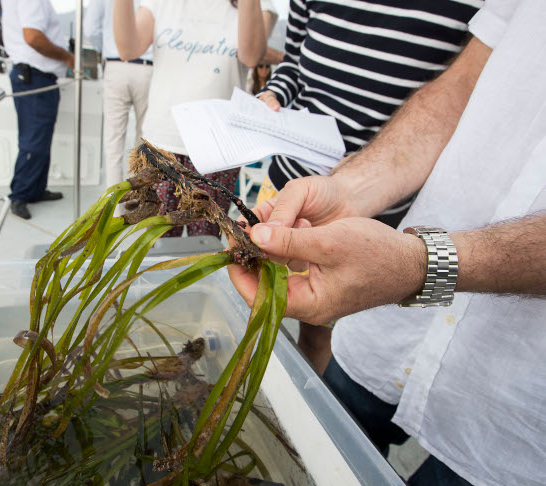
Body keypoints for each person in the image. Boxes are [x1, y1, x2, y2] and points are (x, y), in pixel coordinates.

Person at [229, 0, 546, 484]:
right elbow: (457, 91)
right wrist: (349, 189)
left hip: (510, 419)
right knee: (311, 459)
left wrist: (421, 265)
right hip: (385, 340)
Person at [254, 0, 483, 373]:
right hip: (292, 180)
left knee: (329, 331)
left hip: (387, 212)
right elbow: (293, 62)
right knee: (273, 310)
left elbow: (460, 90)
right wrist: (275, 93)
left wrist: (415, 265)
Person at [113, 0, 278, 237]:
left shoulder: (256, 6)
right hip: (161, 145)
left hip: (217, 150)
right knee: (157, 242)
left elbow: (251, 56)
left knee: (204, 244)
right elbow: (127, 49)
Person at [1, 0, 73, 220]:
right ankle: (20, 196)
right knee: (33, 141)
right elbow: (33, 38)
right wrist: (68, 57)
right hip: (35, 78)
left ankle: (35, 190)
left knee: (40, 139)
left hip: (37, 77)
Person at [84, 0, 153, 205]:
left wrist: (107, 46)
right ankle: (139, 198)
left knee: (113, 140)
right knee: (144, 141)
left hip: (115, 65)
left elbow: (90, 28)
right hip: (148, 67)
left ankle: (113, 205)